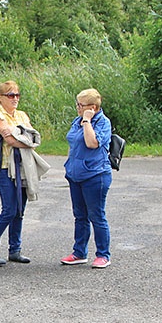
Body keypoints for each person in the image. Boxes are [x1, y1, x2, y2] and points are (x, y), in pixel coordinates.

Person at [0, 80, 38, 266]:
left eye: (17, 95)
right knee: (9, 209)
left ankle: (15, 249)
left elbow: (31, 136)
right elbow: (12, 139)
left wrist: (20, 137)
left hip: (22, 167)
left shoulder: (22, 115)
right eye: (10, 95)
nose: (15, 98)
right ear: (0, 97)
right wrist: (24, 139)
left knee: (19, 210)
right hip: (5, 167)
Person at [61, 88, 113, 268]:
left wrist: (87, 120)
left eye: (81, 105)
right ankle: (79, 252)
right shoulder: (77, 121)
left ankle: (103, 254)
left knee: (96, 215)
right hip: (76, 175)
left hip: (95, 175)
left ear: (93, 107)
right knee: (80, 216)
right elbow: (73, 142)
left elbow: (92, 143)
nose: (77, 108)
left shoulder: (103, 123)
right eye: (77, 104)